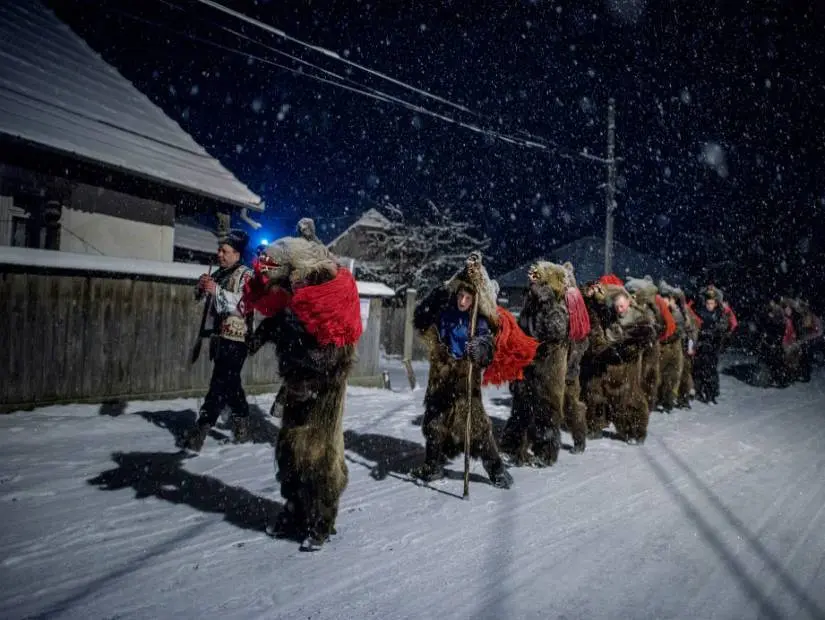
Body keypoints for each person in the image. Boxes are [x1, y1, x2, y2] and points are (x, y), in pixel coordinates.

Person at [412, 253, 513, 488]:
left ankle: (497, 470)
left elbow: (488, 346)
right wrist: (435, 297)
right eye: (461, 295)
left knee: (475, 426)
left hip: (465, 379)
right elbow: (422, 321)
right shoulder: (446, 314)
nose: (463, 301)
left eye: (468, 297)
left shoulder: (478, 320)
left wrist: (480, 349)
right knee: (434, 422)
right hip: (442, 374)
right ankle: (433, 466)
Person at [182, 229, 253, 452]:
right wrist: (202, 287)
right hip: (219, 338)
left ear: (237, 254)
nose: (219, 254)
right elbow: (201, 300)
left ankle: (201, 428)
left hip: (237, 339)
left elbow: (245, 305)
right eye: (219, 250)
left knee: (219, 382)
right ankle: (242, 417)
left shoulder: (246, 275)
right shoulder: (219, 274)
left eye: (225, 251)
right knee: (230, 383)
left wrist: (218, 292)